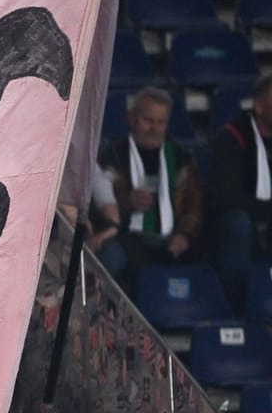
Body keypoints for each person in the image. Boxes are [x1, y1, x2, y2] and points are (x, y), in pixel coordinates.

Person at [91, 87, 204, 284]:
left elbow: (193, 205)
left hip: (171, 237)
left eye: (161, 123)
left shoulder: (181, 157)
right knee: (113, 254)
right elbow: (95, 205)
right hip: (126, 235)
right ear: (131, 118)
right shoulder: (111, 155)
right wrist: (126, 202)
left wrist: (184, 235)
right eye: (148, 120)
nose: (154, 129)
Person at [206, 72, 272, 307]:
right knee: (239, 223)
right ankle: (233, 306)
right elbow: (226, 197)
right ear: (259, 105)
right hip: (232, 224)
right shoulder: (232, 137)